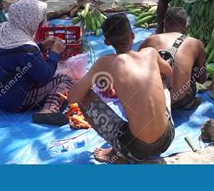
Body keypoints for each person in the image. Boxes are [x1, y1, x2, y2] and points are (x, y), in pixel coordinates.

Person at [65, 13, 175, 163]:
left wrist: (97, 79)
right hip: (167, 138)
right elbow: (169, 72)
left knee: (84, 98)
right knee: (161, 79)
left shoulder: (105, 63)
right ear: (132, 35)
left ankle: (118, 155)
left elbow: (73, 98)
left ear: (107, 42)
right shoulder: (150, 53)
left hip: (134, 149)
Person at [0, 0, 75, 124]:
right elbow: (44, 76)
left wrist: (41, 46)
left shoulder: (2, 29)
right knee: (65, 79)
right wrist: (55, 54)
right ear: (29, 20)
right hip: (14, 101)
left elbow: (14, 56)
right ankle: (48, 111)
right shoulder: (26, 47)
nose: (41, 23)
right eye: (39, 20)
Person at [139, 7, 207, 110]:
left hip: (153, 98)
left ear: (165, 24)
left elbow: (136, 67)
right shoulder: (196, 43)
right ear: (185, 27)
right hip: (181, 100)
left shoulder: (150, 40)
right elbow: (202, 79)